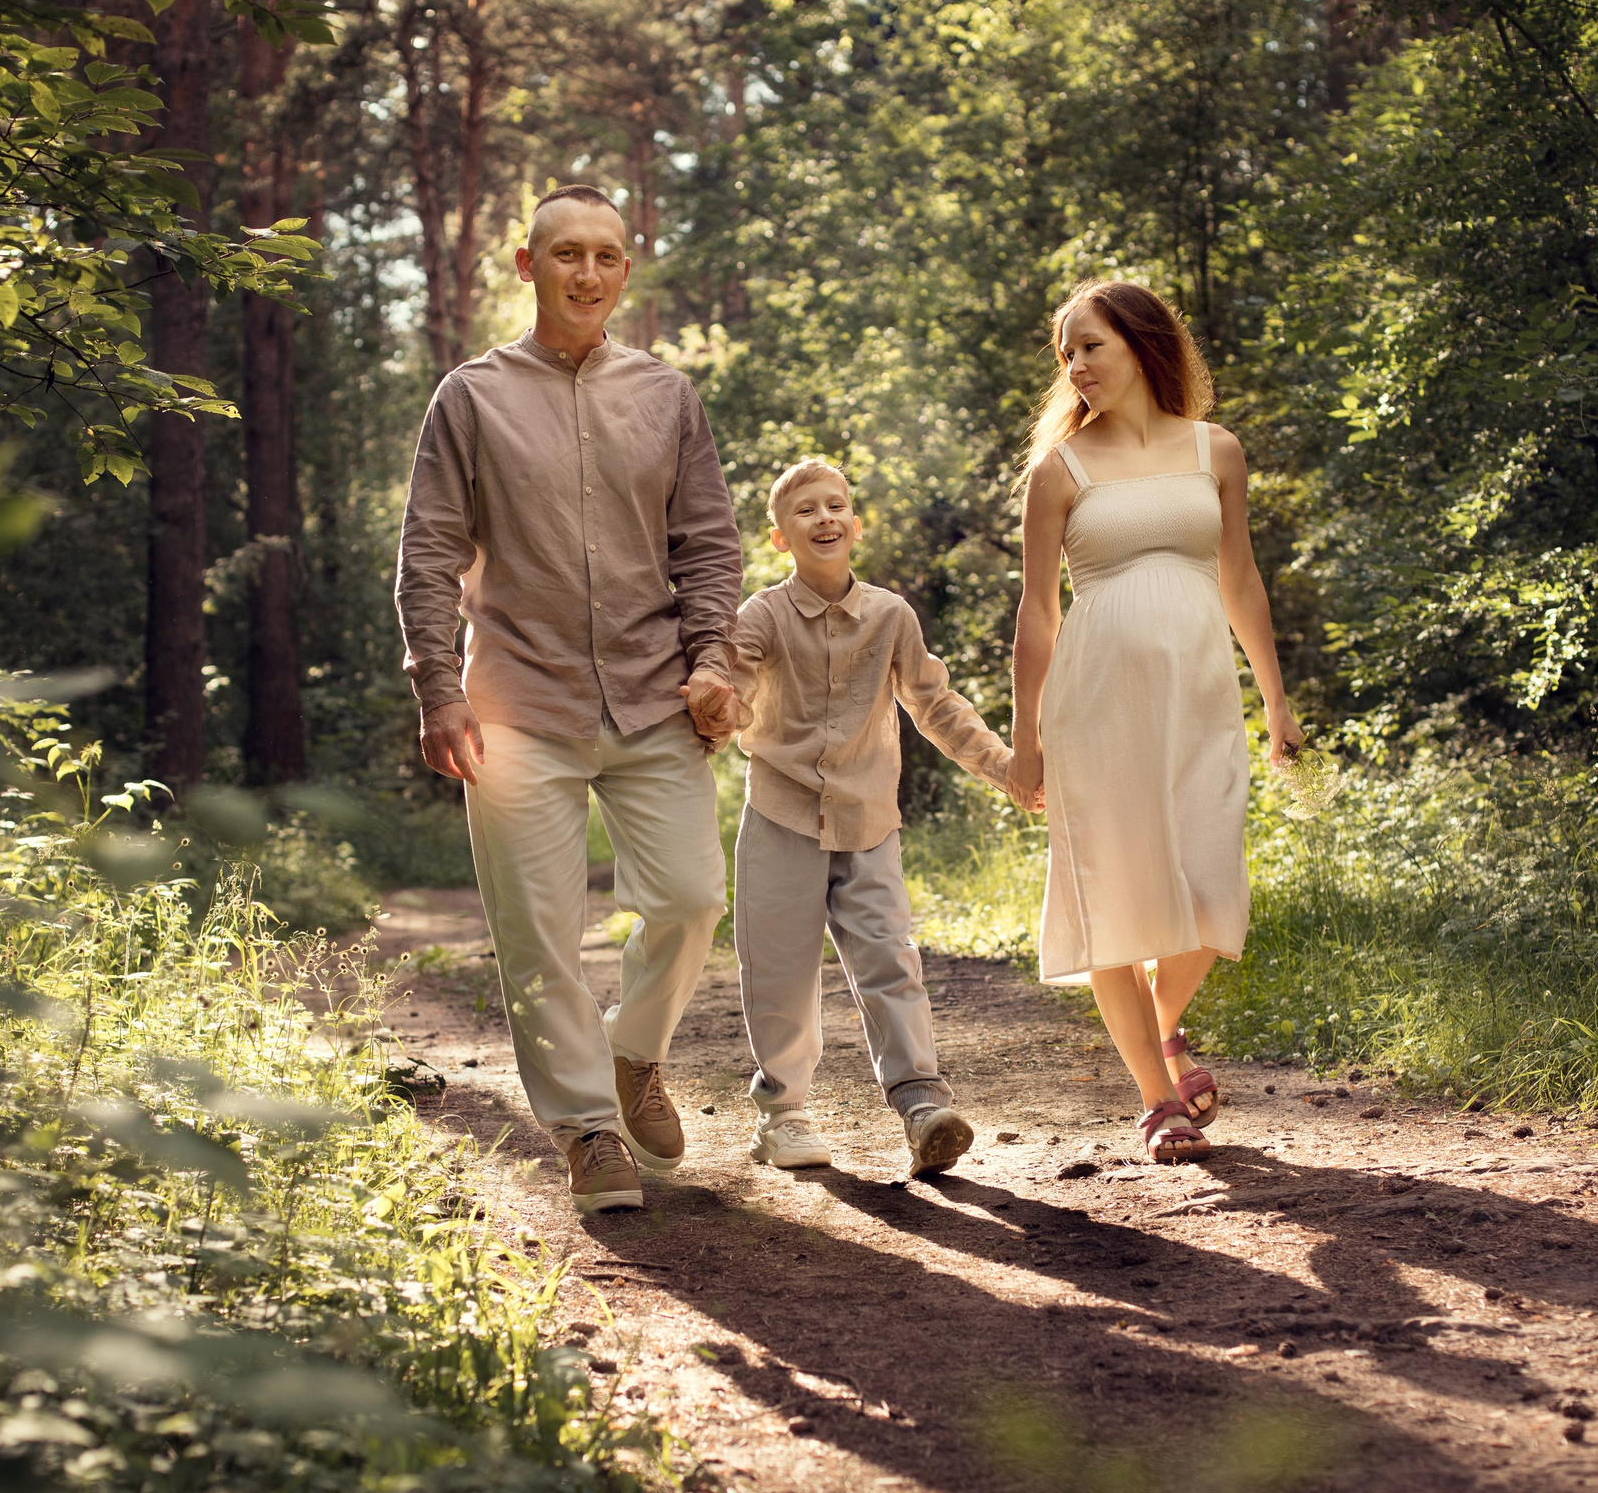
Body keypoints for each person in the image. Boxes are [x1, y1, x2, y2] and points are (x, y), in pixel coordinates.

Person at [395, 184, 742, 1215]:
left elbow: (709, 543)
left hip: (650, 699)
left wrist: (712, 658)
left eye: (604, 256)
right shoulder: (471, 396)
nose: (585, 274)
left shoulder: (668, 396)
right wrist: (434, 685)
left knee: (689, 898)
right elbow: (427, 551)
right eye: (564, 255)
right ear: (524, 264)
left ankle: (636, 1052)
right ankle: (588, 1129)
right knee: (539, 933)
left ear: (625, 271)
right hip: (514, 703)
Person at [1005, 281, 1306, 1165]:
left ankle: (1160, 1026)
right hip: (1095, 703)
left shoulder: (1215, 449)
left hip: (1200, 693)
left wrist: (1277, 698)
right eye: (1068, 351)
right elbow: (1035, 611)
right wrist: (1026, 736)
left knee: (1211, 893)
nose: (1077, 364)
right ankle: (1155, 1098)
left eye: (1091, 344)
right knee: (1114, 893)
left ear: (1141, 342)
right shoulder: (1060, 469)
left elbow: (1241, 580)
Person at [685, 459, 1012, 1176]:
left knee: (890, 957)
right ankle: (785, 1112)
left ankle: (923, 1103)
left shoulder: (891, 615)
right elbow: (733, 688)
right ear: (780, 537)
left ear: (856, 525)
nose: (825, 518)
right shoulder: (762, 615)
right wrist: (717, 706)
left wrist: (1003, 765)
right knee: (778, 970)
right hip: (781, 816)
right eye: (806, 510)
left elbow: (935, 704)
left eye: (837, 505)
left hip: (868, 821)